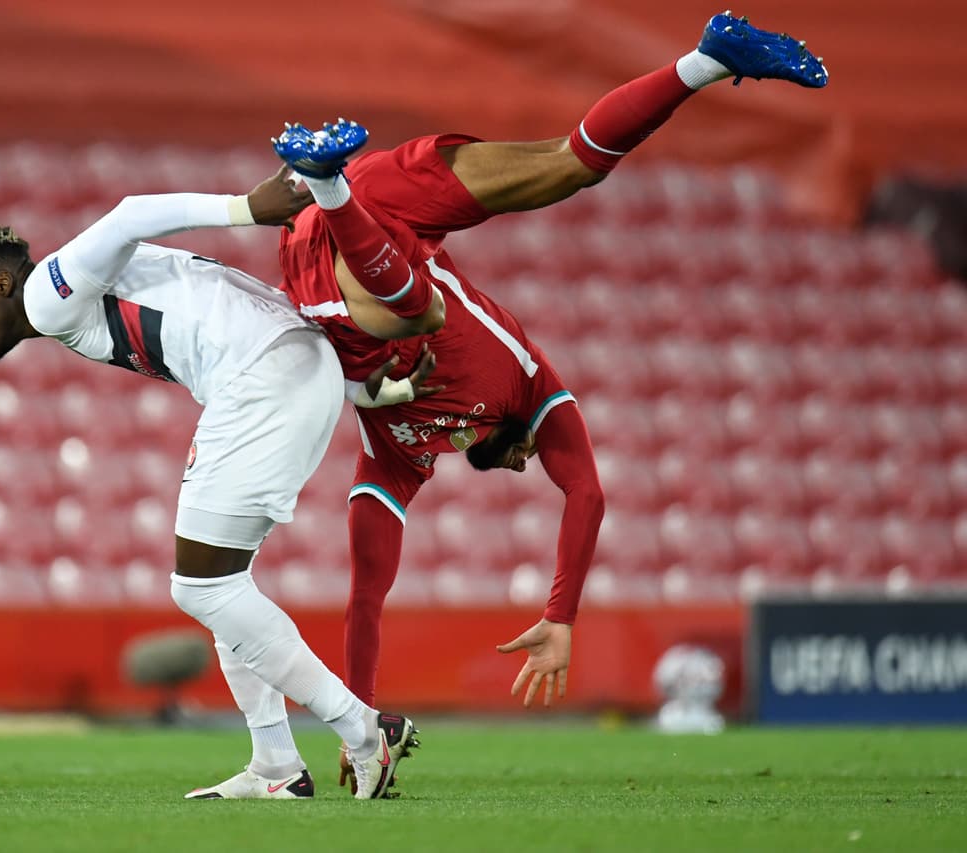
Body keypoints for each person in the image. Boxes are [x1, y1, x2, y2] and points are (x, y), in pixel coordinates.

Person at [265, 11, 828, 787]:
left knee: (528, 202)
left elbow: (368, 589)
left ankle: (704, 61)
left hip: (322, 259)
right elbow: (588, 491)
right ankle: (332, 183)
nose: (533, 455)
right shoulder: (530, 386)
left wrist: (362, 720)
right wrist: (561, 616)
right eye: (534, 455)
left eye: (522, 457)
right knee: (458, 268)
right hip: (377, 207)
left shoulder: (409, 449)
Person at [0, 168, 419, 801]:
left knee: (201, 587)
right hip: (300, 366)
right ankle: (275, 764)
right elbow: (214, 310)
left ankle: (361, 729)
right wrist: (362, 389)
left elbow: (131, 213)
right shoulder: (79, 301)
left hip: (263, 378)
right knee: (222, 589)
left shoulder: (44, 296)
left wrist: (247, 208)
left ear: (1, 283)